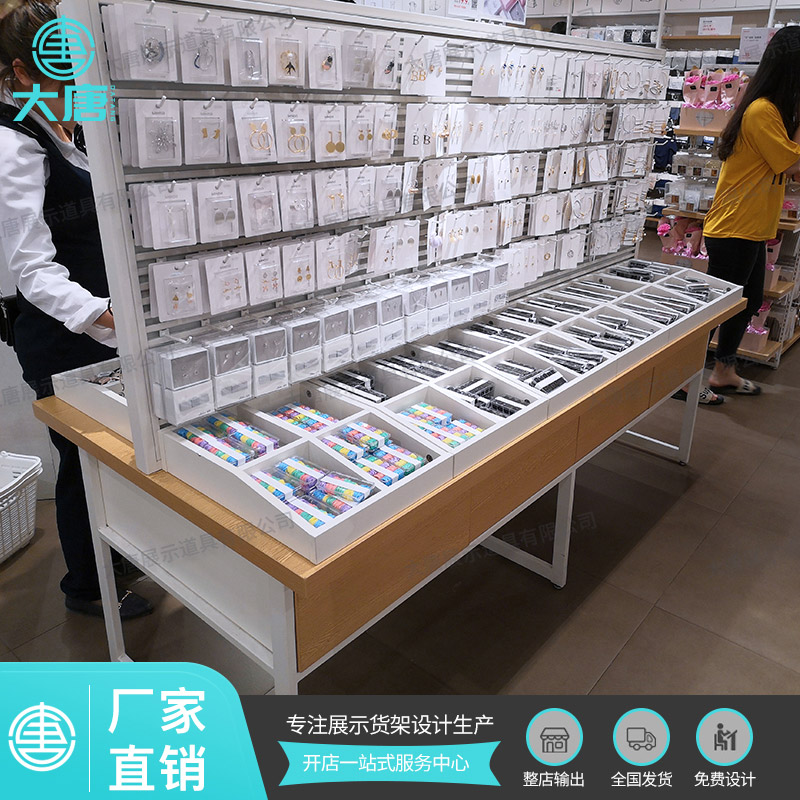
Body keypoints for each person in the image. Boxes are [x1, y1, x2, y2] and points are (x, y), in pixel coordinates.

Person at [0, 0, 151, 618]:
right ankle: (87, 586)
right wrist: (107, 318)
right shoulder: (12, 145)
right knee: (81, 457)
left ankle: (117, 556)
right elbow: (31, 270)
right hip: (60, 335)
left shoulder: (66, 121)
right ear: (20, 71)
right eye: (61, 82)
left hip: (105, 323)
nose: (74, 97)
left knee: (115, 450)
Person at [703, 26, 800, 396]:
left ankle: (723, 370)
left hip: (751, 226)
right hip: (735, 226)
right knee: (717, 307)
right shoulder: (761, 111)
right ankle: (684, 378)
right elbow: (792, 164)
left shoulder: (771, 110)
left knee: (748, 301)